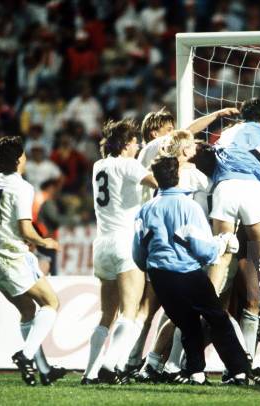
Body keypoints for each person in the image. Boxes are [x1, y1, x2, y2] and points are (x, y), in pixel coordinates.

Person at [133, 156, 249, 385]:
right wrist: (222, 243)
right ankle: (239, 372)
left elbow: (138, 253)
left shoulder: (145, 210)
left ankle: (196, 373)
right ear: (177, 176)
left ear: (157, 178)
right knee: (217, 318)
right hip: (187, 272)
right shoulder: (189, 206)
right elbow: (203, 250)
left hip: (159, 276)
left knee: (187, 323)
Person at [0, 136, 65, 386]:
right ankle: (26, 355)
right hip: (11, 256)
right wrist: (45, 242)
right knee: (51, 302)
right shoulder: (21, 187)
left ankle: (42, 370)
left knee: (27, 311)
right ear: (19, 159)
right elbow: (26, 229)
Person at [81, 119, 158, 385]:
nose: (138, 146)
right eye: (136, 142)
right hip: (126, 242)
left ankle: (89, 373)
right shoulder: (129, 164)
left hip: (102, 243)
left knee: (106, 314)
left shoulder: (98, 165)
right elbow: (158, 181)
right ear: (126, 144)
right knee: (130, 311)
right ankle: (108, 365)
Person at [210, 98, 260, 352]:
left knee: (220, 254)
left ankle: (211, 296)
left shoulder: (227, 132)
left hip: (224, 188)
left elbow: (213, 153)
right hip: (252, 189)